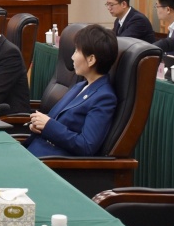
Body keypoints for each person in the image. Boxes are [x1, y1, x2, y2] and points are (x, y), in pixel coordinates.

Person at [25, 25, 119, 157]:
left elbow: (86, 146)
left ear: (91, 59)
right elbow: (56, 121)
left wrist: (48, 126)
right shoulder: (80, 86)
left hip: (52, 161)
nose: (72, 57)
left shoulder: (104, 98)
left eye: (76, 51)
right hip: (35, 151)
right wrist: (39, 126)